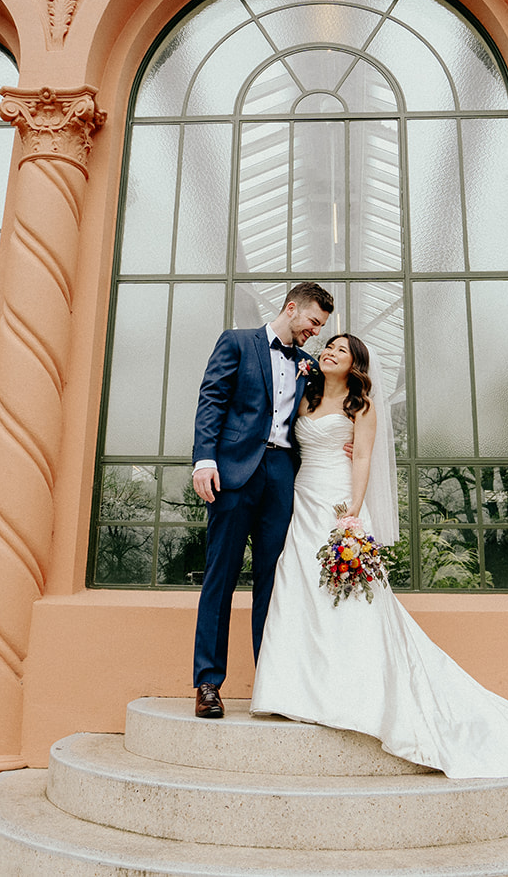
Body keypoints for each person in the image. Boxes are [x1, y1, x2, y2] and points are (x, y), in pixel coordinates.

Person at [250, 333, 508, 785]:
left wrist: (352, 512)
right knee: (297, 590)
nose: (328, 352)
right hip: (303, 499)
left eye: (339, 350)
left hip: (338, 504)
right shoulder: (303, 397)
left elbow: (364, 457)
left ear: (354, 364)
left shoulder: (362, 408)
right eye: (327, 347)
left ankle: (355, 694)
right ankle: (297, 692)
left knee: (352, 600)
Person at [190, 282, 334, 718]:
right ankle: (208, 684)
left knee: (274, 582)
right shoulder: (237, 342)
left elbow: (326, 411)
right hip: (233, 474)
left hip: (281, 478)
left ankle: (271, 684)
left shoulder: (310, 364)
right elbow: (212, 398)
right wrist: (204, 460)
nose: (315, 331)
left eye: (321, 326)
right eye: (313, 322)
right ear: (292, 308)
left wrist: (346, 440)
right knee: (221, 576)